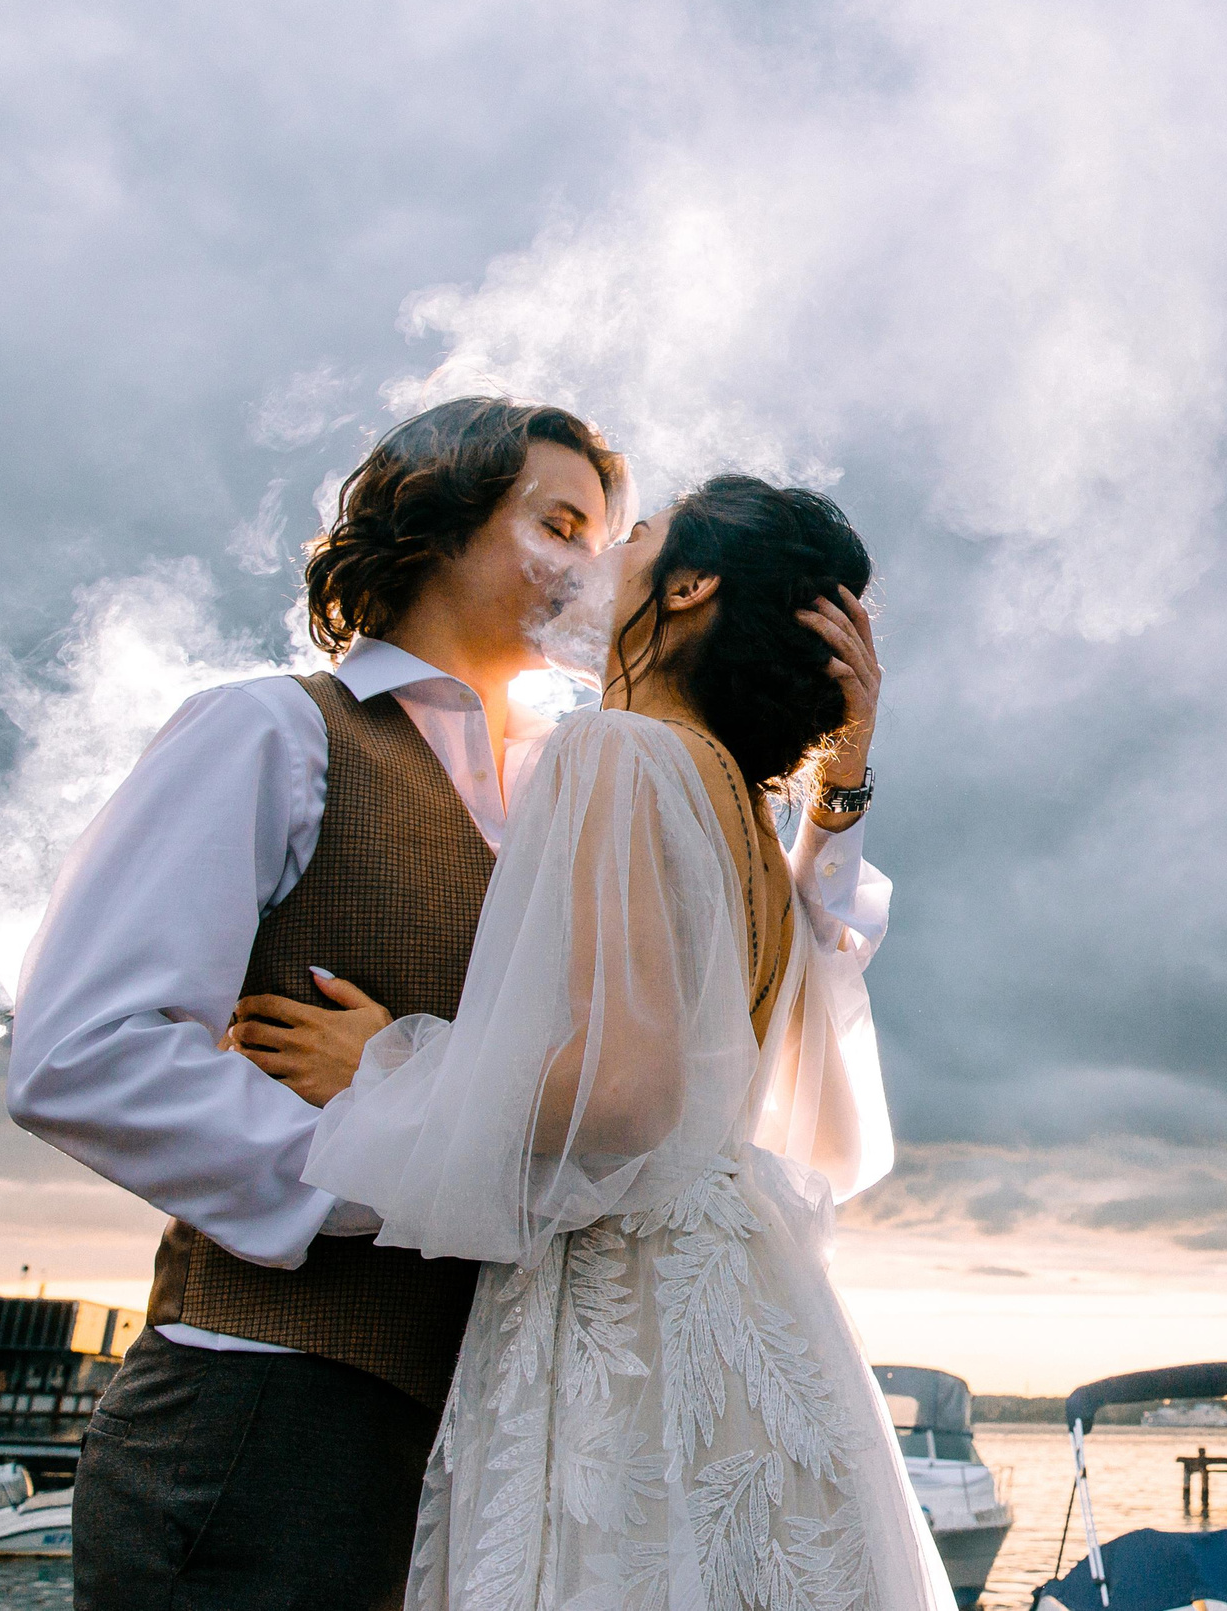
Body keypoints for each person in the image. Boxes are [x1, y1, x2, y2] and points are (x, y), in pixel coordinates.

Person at [4, 400, 883, 1610]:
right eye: (560, 522)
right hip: (279, 1408)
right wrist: (401, 1168)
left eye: (612, 535)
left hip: (519, 1426)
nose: (590, 562)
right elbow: (83, 1057)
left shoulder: (577, 780)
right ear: (435, 520)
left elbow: (715, 1033)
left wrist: (407, 1089)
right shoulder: (270, 732)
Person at [222, 473, 948, 1610]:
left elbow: (625, 1101)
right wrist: (845, 771)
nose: (604, 553)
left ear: (692, 585)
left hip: (629, 1299)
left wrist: (386, 1069)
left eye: (640, 534)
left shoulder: (614, 750)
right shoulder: (746, 817)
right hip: (749, 1298)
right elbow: (788, 1039)